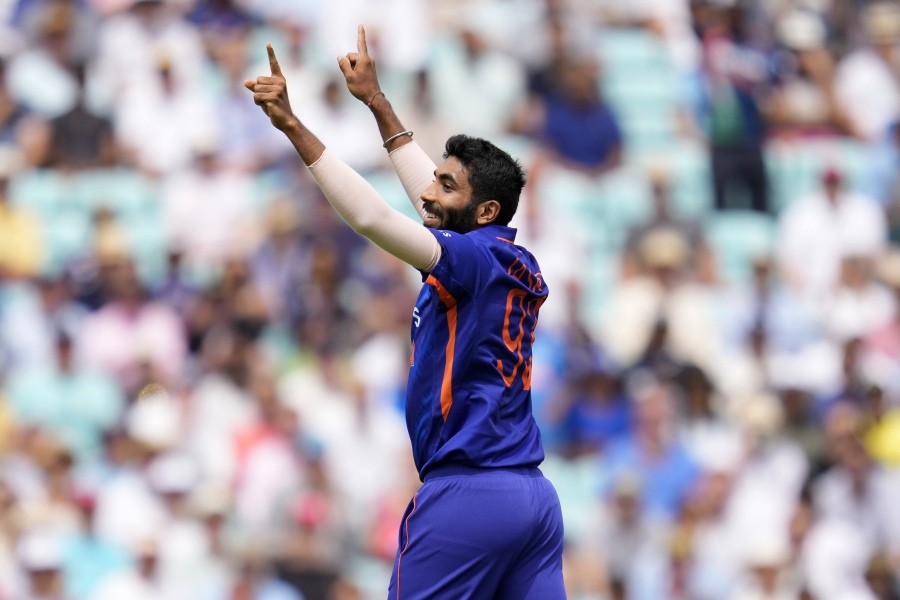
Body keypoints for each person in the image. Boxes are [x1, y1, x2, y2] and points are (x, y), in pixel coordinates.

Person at [244, 25, 565, 599]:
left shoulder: (469, 258)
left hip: (468, 495)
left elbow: (372, 218)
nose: (429, 195)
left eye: (448, 186)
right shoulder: (507, 256)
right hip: (532, 499)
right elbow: (430, 199)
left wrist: (293, 125)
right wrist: (376, 101)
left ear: (485, 210)